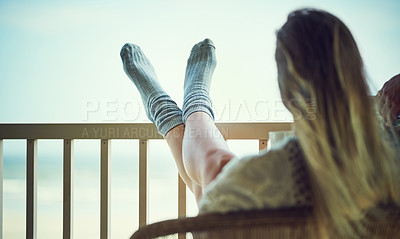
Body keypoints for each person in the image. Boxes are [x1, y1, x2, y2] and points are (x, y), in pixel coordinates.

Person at [120, 8, 400, 238]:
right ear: (357, 74)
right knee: (212, 178)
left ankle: (186, 105)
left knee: (217, 168)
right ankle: (176, 109)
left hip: (230, 219)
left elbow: (210, 214)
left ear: (286, 94)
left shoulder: (249, 184)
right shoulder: (391, 161)